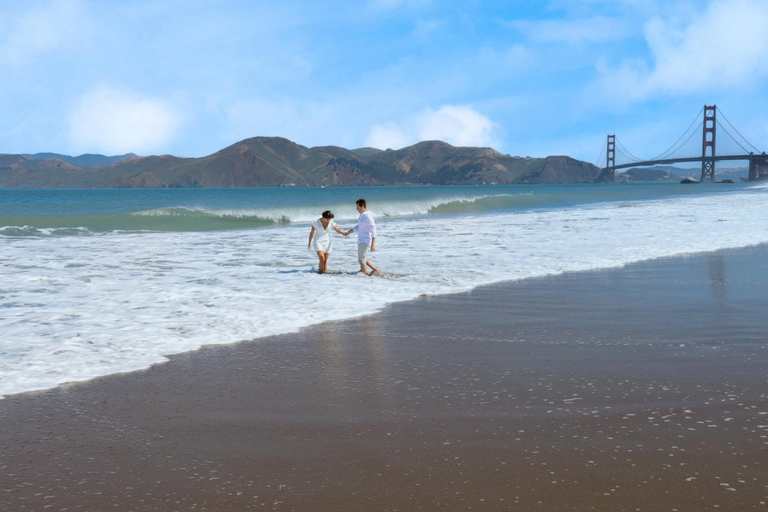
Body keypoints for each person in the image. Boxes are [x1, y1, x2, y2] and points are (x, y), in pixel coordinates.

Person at [345, 198, 381, 276]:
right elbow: (359, 226)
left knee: (361, 259)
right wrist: (349, 232)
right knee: (363, 257)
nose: (356, 209)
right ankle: (375, 270)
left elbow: (373, 230)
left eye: (357, 207)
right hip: (361, 239)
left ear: (362, 206)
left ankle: (363, 275)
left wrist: (373, 244)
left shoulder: (368, 216)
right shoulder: (362, 215)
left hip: (365, 240)